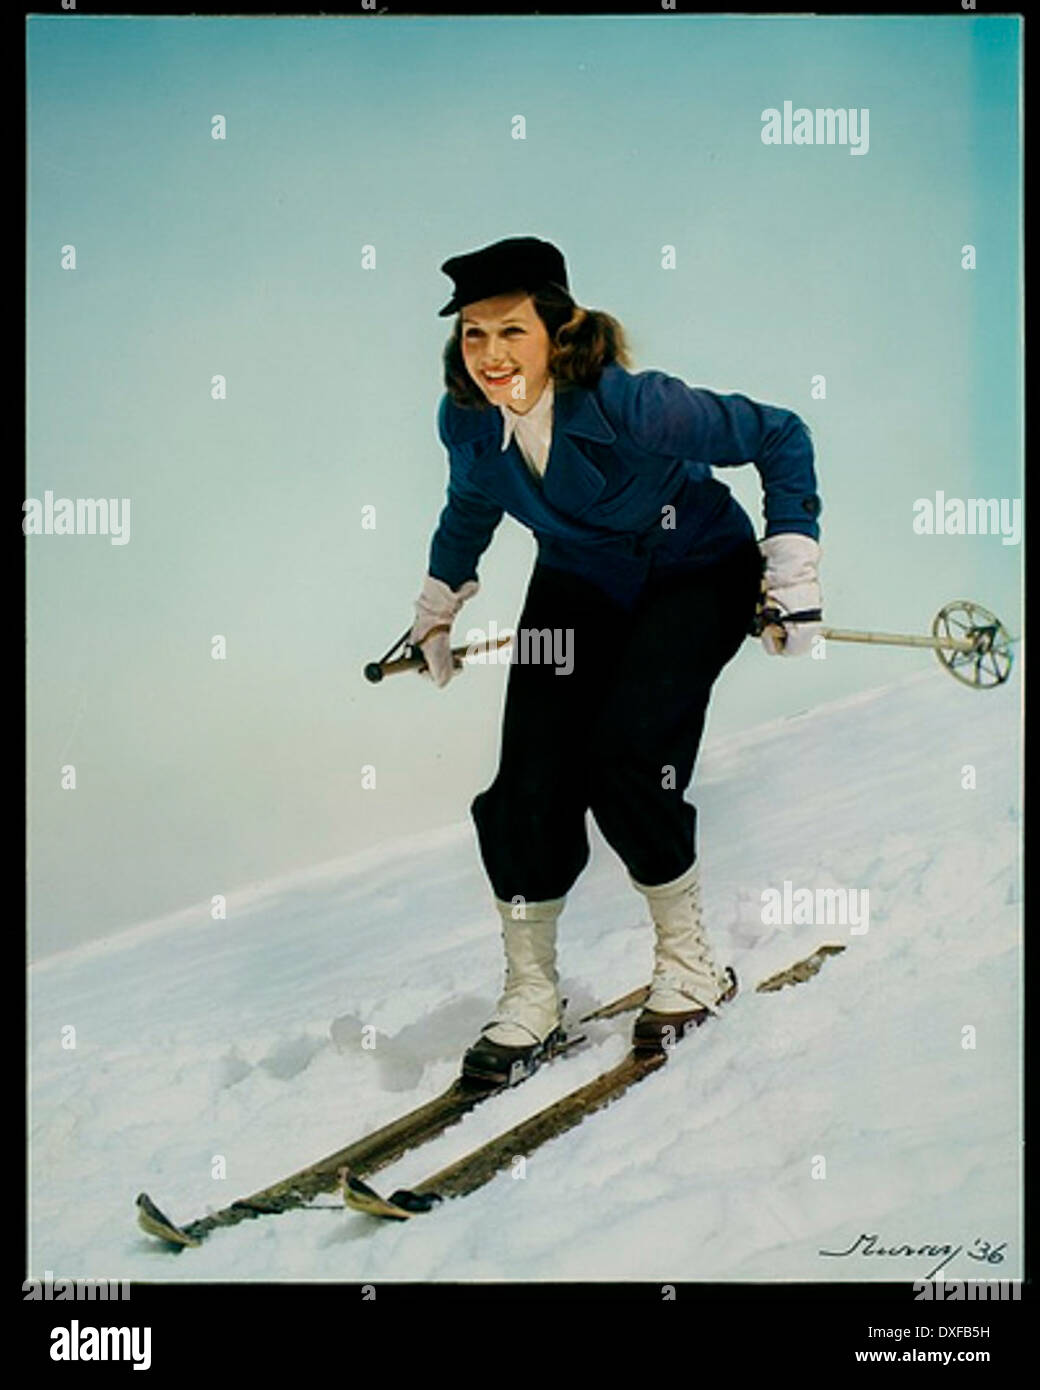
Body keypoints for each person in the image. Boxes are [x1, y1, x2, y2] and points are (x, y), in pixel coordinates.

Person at [408, 236, 823, 1086]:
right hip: (580, 583)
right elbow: (470, 505)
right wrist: (437, 607)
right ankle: (531, 993)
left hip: (695, 571)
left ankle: (692, 965)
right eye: (474, 334)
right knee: (528, 778)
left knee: (630, 756)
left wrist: (792, 570)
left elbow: (780, 433)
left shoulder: (632, 404)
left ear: (556, 331)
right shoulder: (467, 420)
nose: (489, 354)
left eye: (510, 332)